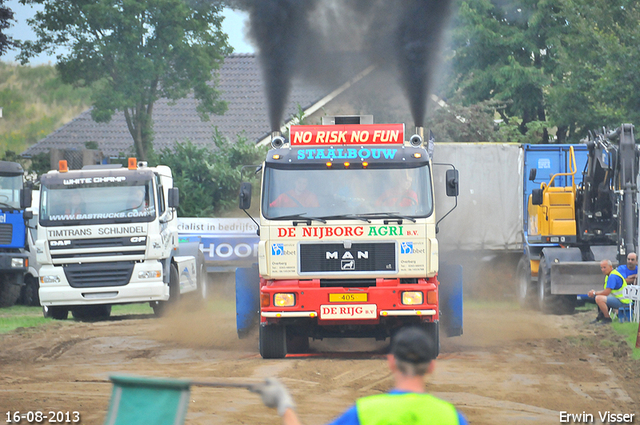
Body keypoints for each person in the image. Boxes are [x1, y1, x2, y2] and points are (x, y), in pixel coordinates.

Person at [251, 327, 468, 425]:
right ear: (431, 366)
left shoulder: (365, 412)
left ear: (391, 362)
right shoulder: (451, 417)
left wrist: (284, 404)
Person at [588, 259, 631, 324]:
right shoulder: (610, 275)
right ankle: (600, 317)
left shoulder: (612, 276)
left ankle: (607, 318)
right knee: (601, 297)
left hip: (623, 301)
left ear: (610, 267)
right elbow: (607, 291)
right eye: (601, 268)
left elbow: (606, 292)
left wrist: (594, 293)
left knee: (599, 298)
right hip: (620, 299)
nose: (602, 270)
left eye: (604, 267)